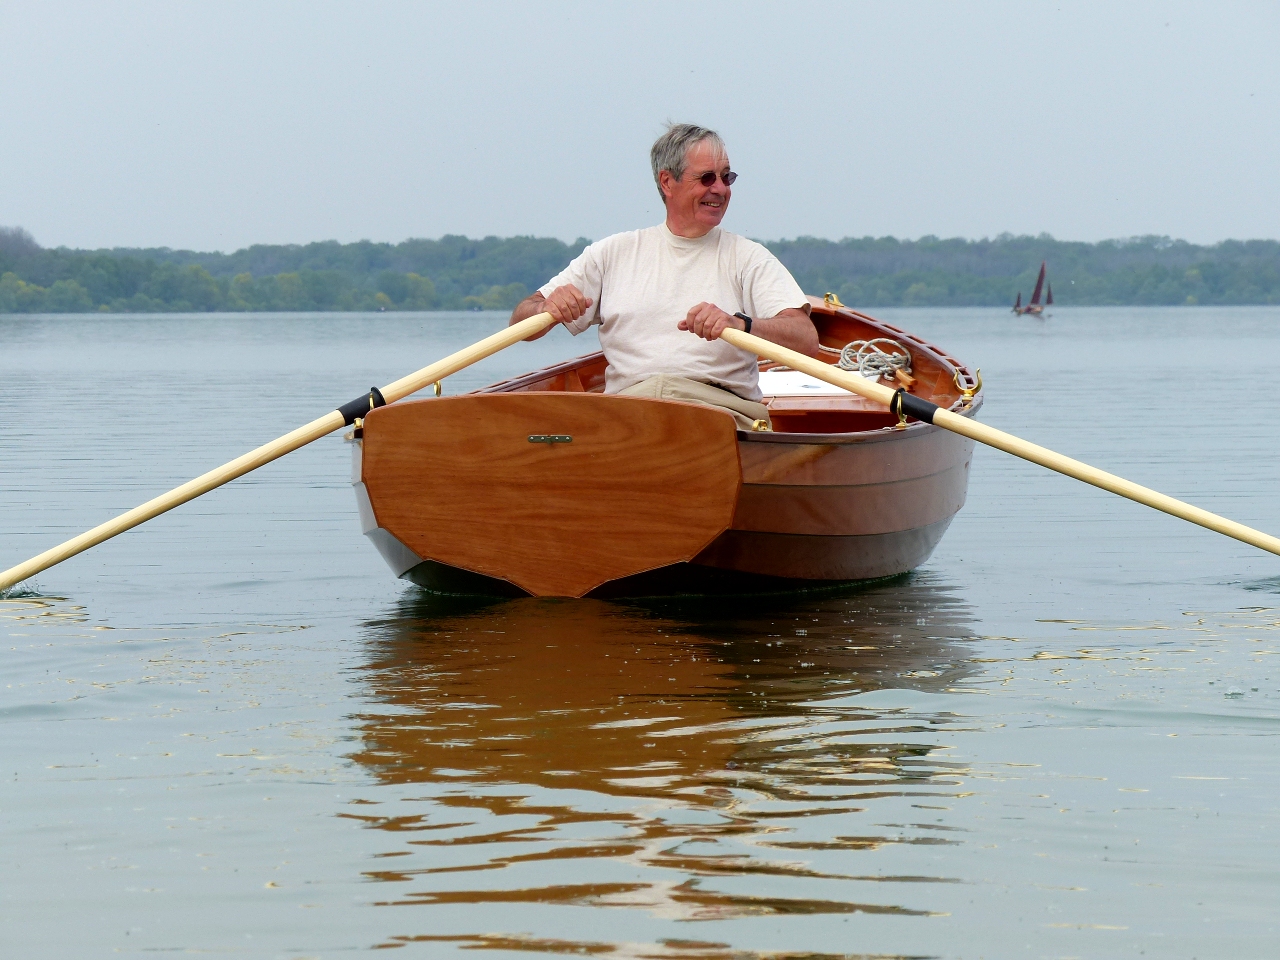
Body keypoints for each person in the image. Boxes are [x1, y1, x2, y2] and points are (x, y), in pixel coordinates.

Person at [508, 123, 819, 430]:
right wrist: (543, 309)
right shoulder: (612, 253)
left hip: (719, 414)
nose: (721, 189)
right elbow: (520, 324)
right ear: (668, 182)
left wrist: (739, 324)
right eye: (707, 178)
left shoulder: (748, 257)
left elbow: (806, 340)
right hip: (628, 412)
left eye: (727, 177)